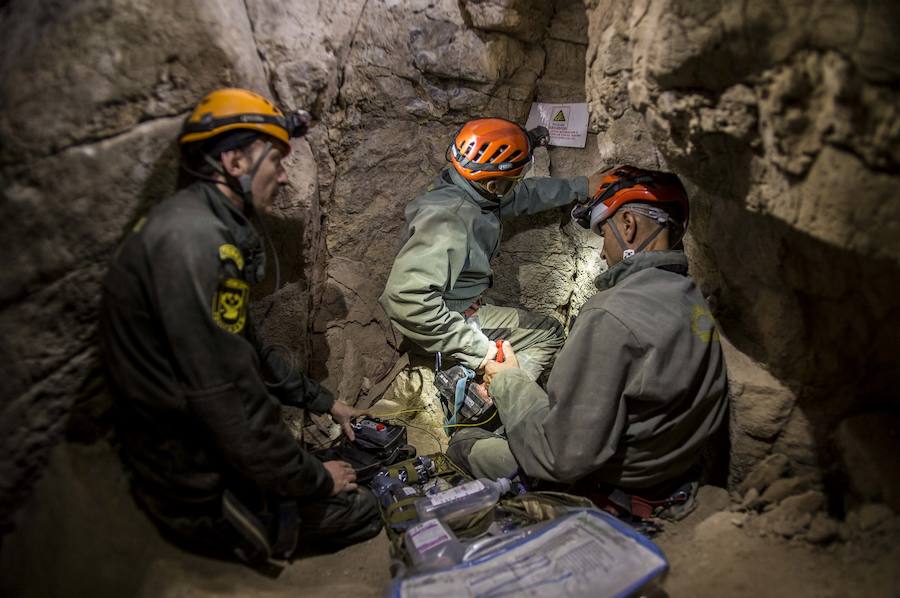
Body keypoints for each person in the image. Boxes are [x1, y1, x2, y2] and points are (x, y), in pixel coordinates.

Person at [99, 88, 381, 575]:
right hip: (189, 480)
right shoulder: (200, 244)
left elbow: (245, 352)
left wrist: (326, 402)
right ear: (232, 161)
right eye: (275, 158)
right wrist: (315, 479)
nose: (283, 173)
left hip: (191, 443)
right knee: (361, 510)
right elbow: (230, 399)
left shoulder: (194, 224)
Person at [447, 165, 728, 520]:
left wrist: (506, 380)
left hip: (609, 488)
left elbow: (559, 456)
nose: (600, 252)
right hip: (666, 472)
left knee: (465, 442)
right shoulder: (691, 299)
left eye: (603, 235)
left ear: (628, 225)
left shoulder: (611, 314)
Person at [379, 117, 592, 383]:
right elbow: (406, 300)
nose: (516, 185)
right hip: (449, 317)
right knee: (548, 332)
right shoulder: (450, 220)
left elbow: (523, 196)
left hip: (458, 304)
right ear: (494, 185)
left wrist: (581, 187)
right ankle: (498, 396)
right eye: (513, 180)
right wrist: (480, 351)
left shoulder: (467, 187)